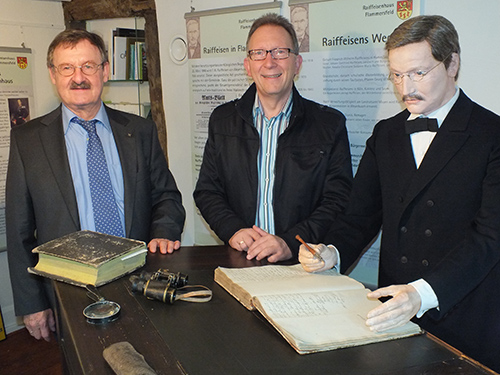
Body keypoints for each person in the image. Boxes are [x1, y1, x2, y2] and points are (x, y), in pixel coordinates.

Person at [298, 15, 500, 372]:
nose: (405, 87)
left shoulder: (491, 134)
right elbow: (360, 215)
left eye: (418, 73)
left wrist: (421, 293)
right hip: (395, 312)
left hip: (464, 313)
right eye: (397, 75)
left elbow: (489, 238)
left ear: (452, 63)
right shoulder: (387, 134)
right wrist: (333, 250)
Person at [6, 29, 186, 342]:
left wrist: (164, 231)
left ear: (104, 71)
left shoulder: (139, 130)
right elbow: (19, 230)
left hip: (139, 279)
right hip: (68, 289)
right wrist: (32, 303)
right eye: (67, 68)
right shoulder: (28, 141)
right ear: (53, 74)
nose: (79, 77)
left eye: (88, 66)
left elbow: (166, 196)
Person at [194, 14, 352, 263]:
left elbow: (337, 200)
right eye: (259, 53)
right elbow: (207, 191)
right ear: (248, 65)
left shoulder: (329, 125)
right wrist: (232, 229)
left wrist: (290, 241)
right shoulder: (222, 120)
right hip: (242, 260)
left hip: (303, 264)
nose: (269, 62)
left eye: (280, 52)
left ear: (297, 63)